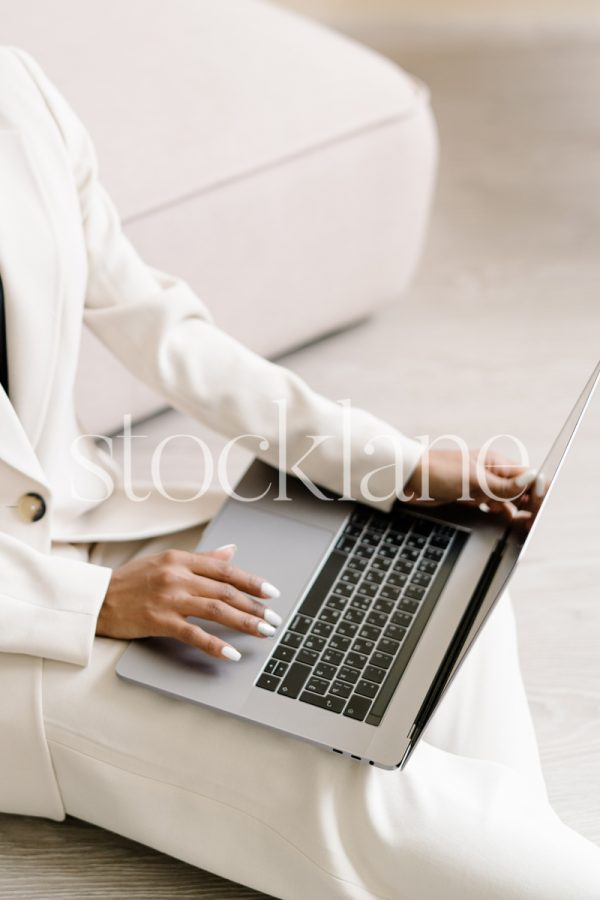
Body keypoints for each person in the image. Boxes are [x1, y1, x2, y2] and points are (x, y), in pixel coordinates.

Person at [1, 45, 599, 899]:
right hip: (17, 636)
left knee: (446, 582)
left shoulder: (14, 88)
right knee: (348, 787)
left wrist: (390, 467)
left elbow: (161, 324)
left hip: (86, 526)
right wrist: (98, 603)